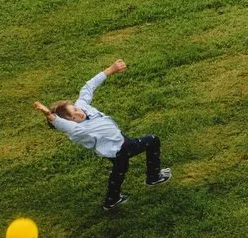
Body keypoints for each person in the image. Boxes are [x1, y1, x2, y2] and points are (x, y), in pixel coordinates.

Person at [33, 60, 169, 211]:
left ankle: (111, 201)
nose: (79, 113)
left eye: (75, 109)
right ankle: (153, 177)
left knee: (120, 170)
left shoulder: (81, 106)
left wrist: (110, 70)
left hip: (115, 146)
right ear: (71, 122)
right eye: (74, 116)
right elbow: (65, 125)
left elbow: (88, 87)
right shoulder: (79, 131)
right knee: (153, 141)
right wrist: (49, 115)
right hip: (120, 147)